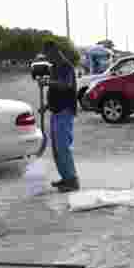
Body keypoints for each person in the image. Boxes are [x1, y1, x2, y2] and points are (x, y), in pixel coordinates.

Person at [44, 40, 80, 193]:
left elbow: (67, 85)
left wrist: (48, 82)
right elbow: (56, 90)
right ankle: (65, 178)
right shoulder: (54, 68)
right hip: (55, 111)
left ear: (55, 52)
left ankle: (72, 180)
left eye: (48, 55)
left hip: (65, 111)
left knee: (63, 147)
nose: (47, 58)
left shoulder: (67, 67)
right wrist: (46, 106)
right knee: (57, 149)